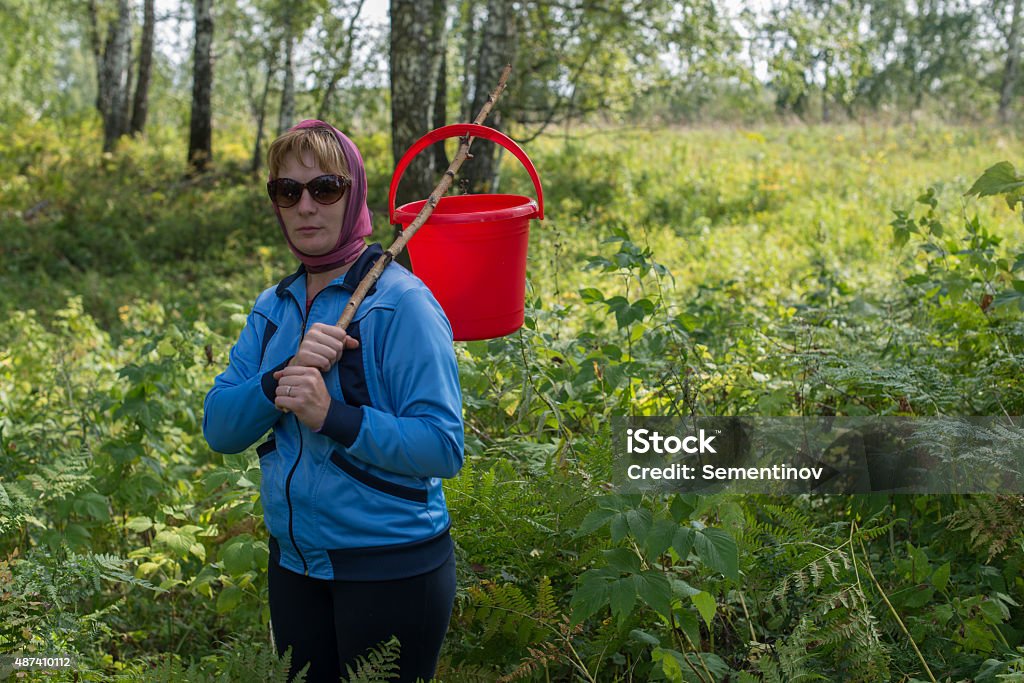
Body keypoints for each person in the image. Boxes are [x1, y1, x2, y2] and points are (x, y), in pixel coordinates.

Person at [202, 119, 464, 682]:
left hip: (392, 568)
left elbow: (444, 447)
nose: (305, 206)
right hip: (294, 565)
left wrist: (333, 417)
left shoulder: (400, 305)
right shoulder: (274, 307)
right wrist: (278, 378)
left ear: (355, 195)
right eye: (287, 191)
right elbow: (221, 430)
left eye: (325, 188)